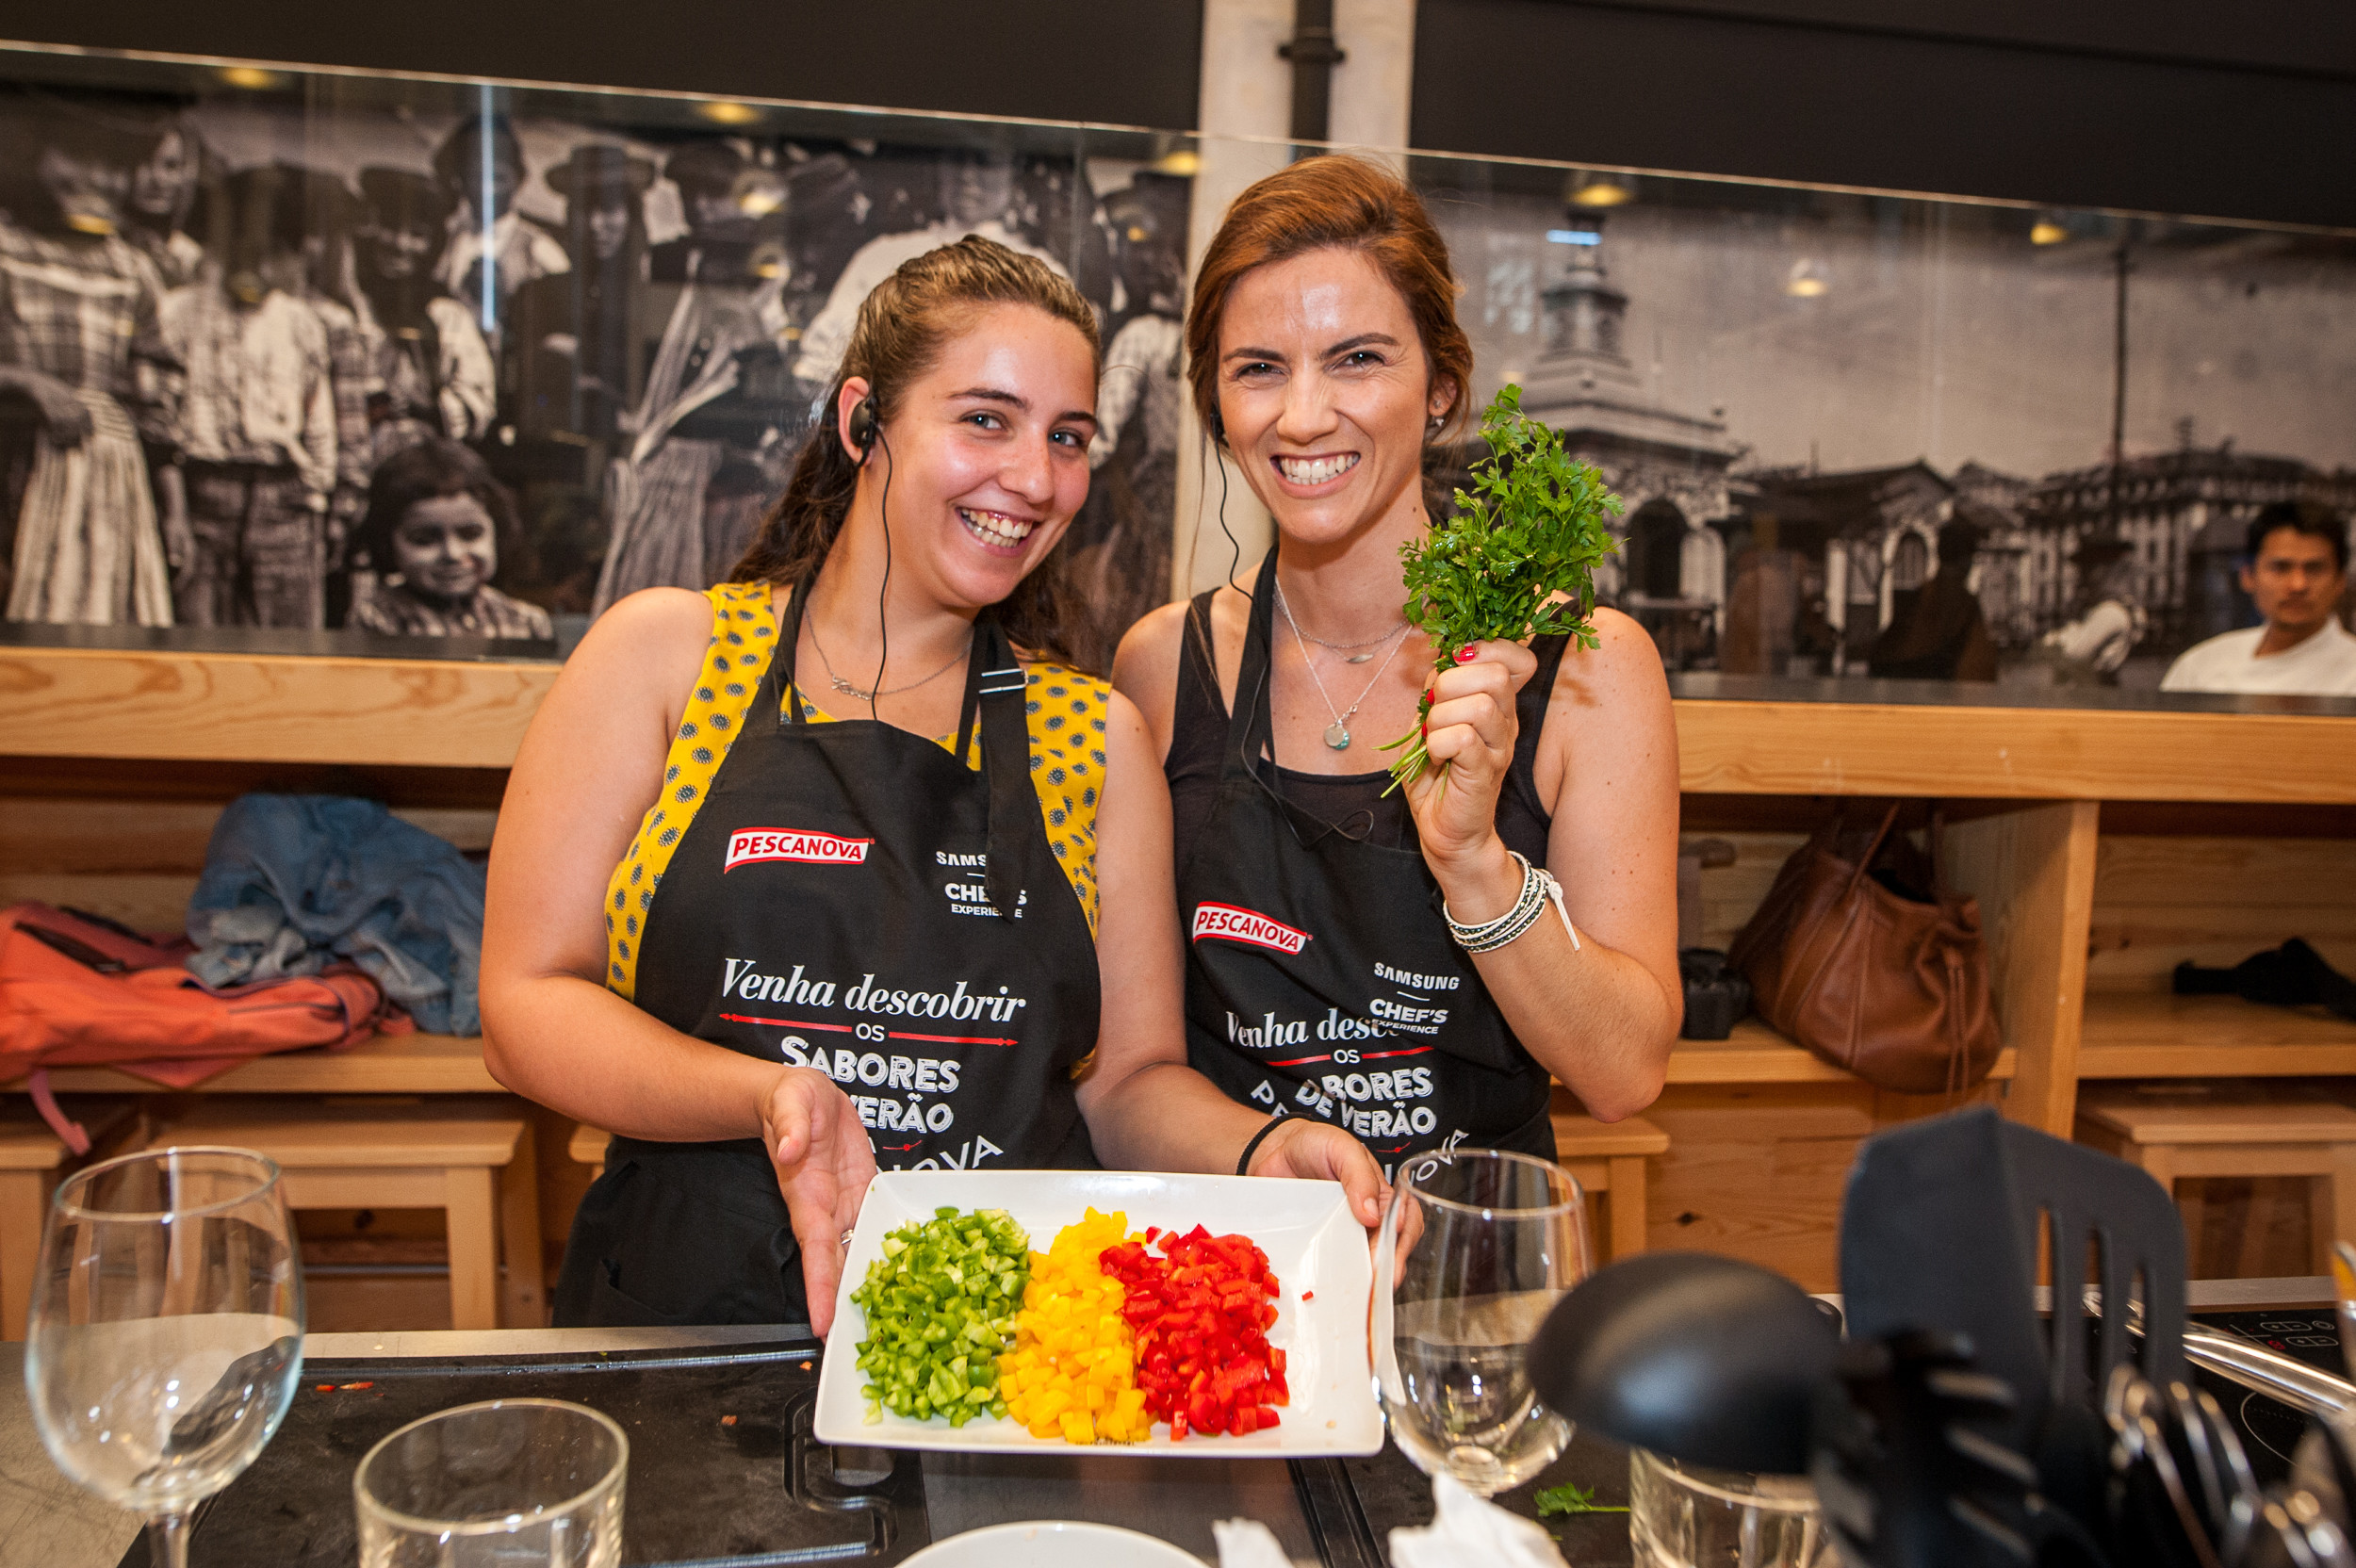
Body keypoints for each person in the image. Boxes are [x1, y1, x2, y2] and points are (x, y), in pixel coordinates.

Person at [482, 237, 1383, 1330]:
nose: (1036, 478)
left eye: (1067, 437)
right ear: (863, 421)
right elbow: (526, 1002)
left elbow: (1127, 1080)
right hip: (690, 1310)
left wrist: (1258, 1145)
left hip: (999, 1332)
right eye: (986, 419)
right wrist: (768, 1094)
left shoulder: (1091, 737)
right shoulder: (671, 657)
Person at [1113, 157, 1679, 1174]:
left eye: (1357, 359)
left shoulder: (1583, 670)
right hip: (1240, 1239)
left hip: (1474, 1239)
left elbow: (1624, 1072)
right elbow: (1129, 1073)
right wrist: (1269, 1150)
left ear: (1440, 388)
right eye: (1258, 368)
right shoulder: (1164, 666)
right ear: (1216, 405)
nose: (1302, 415)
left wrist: (1474, 866)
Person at [0, 89, 178, 627]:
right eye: (75, 157)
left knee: (93, 606)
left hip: (105, 480)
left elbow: (156, 400)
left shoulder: (132, 269)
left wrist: (174, 510)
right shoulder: (7, 251)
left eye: (112, 165)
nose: (95, 178)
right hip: (14, 466)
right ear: (32, 156)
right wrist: (26, 382)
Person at [592, 141, 791, 612]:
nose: (700, 207)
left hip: (731, 468)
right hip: (666, 453)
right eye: (689, 194)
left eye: (713, 194)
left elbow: (770, 379)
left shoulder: (766, 266)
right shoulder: (666, 262)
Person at [159, 165, 339, 628]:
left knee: (288, 634)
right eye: (240, 250)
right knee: (197, 628)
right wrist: (173, 509)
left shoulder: (300, 323)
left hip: (284, 497)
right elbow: (161, 420)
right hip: (203, 494)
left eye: (272, 254)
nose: (255, 268)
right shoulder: (178, 314)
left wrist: (318, 497)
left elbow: (318, 417)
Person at [791, 149, 1067, 394]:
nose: (968, 175)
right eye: (957, 159)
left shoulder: (1043, 272)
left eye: (985, 162)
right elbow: (819, 364)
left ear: (1013, 172)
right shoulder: (882, 256)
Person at [349, 167, 496, 464]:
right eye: (390, 227)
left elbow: (478, 399)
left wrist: (423, 410)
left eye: (416, 234)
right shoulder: (351, 304)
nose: (400, 243)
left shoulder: (447, 315)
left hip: (425, 459)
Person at [347, 436, 552, 640]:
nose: (453, 554)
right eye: (424, 539)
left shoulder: (525, 623)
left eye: (470, 534)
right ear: (387, 544)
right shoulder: (378, 621)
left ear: (497, 532)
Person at [2162, 502, 2356, 696]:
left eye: (2314, 569)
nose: (2298, 585)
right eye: (2280, 568)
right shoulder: (2200, 667)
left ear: (2341, 580)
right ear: (2248, 576)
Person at [433, 114, 569, 332]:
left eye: (498, 178)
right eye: (477, 176)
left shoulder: (538, 248)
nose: (487, 190)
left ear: (518, 180)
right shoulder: (453, 237)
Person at [1866, 521, 1997, 681]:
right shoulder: (1964, 605)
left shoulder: (1920, 597)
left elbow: (1882, 655)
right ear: (1966, 561)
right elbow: (1980, 668)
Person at [2036, 534, 2143, 685]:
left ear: (2106, 570)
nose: (2081, 576)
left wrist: (2053, 640)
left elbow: (2071, 654)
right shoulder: (2100, 608)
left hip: (2092, 692)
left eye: (2089, 568)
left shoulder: (2110, 612)